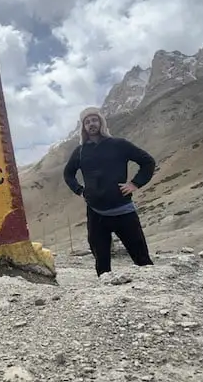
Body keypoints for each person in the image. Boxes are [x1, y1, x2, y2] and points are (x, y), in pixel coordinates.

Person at [63, 106, 156, 277]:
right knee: (102, 265)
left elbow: (148, 162)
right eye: (87, 122)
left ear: (101, 122)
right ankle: (105, 300)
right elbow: (68, 173)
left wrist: (135, 184)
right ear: (83, 127)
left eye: (95, 120)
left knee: (142, 260)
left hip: (124, 211)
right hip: (96, 214)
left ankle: (158, 295)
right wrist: (80, 190)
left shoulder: (119, 144)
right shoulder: (81, 151)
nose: (92, 124)